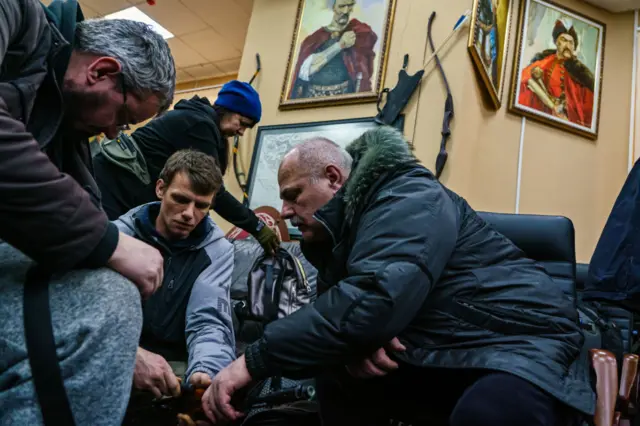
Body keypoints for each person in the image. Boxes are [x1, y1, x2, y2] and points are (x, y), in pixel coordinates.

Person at [201, 126, 595, 426]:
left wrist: (251, 362)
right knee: (334, 375)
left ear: (334, 178)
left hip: (523, 345)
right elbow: (341, 318)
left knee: (487, 414)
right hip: (450, 350)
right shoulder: (341, 238)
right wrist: (354, 346)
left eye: (293, 194)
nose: (284, 210)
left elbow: (374, 297)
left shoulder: (407, 195)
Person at [0, 0, 176, 424]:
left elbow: (85, 227)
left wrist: (120, 346)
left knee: (111, 301)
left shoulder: (69, 136)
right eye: (123, 116)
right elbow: (98, 239)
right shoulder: (13, 13)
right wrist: (109, 243)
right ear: (100, 72)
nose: (115, 131)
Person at [93, 80, 280, 254]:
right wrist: (257, 227)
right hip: (109, 188)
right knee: (103, 250)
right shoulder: (199, 124)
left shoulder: (197, 119)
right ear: (228, 109)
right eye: (242, 123)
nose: (240, 131)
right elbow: (214, 191)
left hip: (118, 187)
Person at [114, 150, 235, 418]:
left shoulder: (218, 251)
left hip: (178, 361)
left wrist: (206, 368)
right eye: (180, 199)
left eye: (202, 205)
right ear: (160, 188)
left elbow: (208, 320)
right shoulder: (117, 238)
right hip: (118, 351)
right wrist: (127, 355)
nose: (189, 214)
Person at [289, 0, 378, 99]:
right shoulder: (315, 39)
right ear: (333, 7)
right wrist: (339, 46)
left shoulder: (358, 32)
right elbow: (305, 70)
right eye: (341, 6)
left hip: (345, 98)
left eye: (349, 6)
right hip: (313, 99)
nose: (345, 11)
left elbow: (364, 69)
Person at [518, 20, 594, 127]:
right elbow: (524, 78)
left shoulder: (581, 74)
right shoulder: (544, 62)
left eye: (571, 42)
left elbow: (588, 107)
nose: (567, 45)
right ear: (556, 42)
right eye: (564, 40)